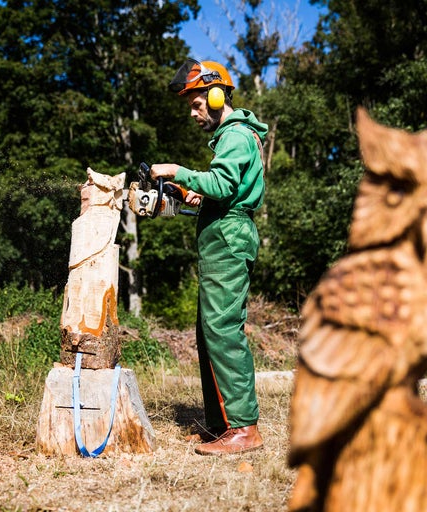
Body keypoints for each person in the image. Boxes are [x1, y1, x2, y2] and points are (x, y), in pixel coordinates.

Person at [151, 59, 268, 456]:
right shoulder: (232, 137)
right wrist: (191, 194)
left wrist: (180, 172)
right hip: (221, 236)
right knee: (209, 333)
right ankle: (221, 424)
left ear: (217, 95)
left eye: (197, 102)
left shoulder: (235, 134)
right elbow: (220, 189)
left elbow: (222, 184)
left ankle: (244, 429)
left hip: (229, 239)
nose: (193, 111)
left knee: (223, 330)